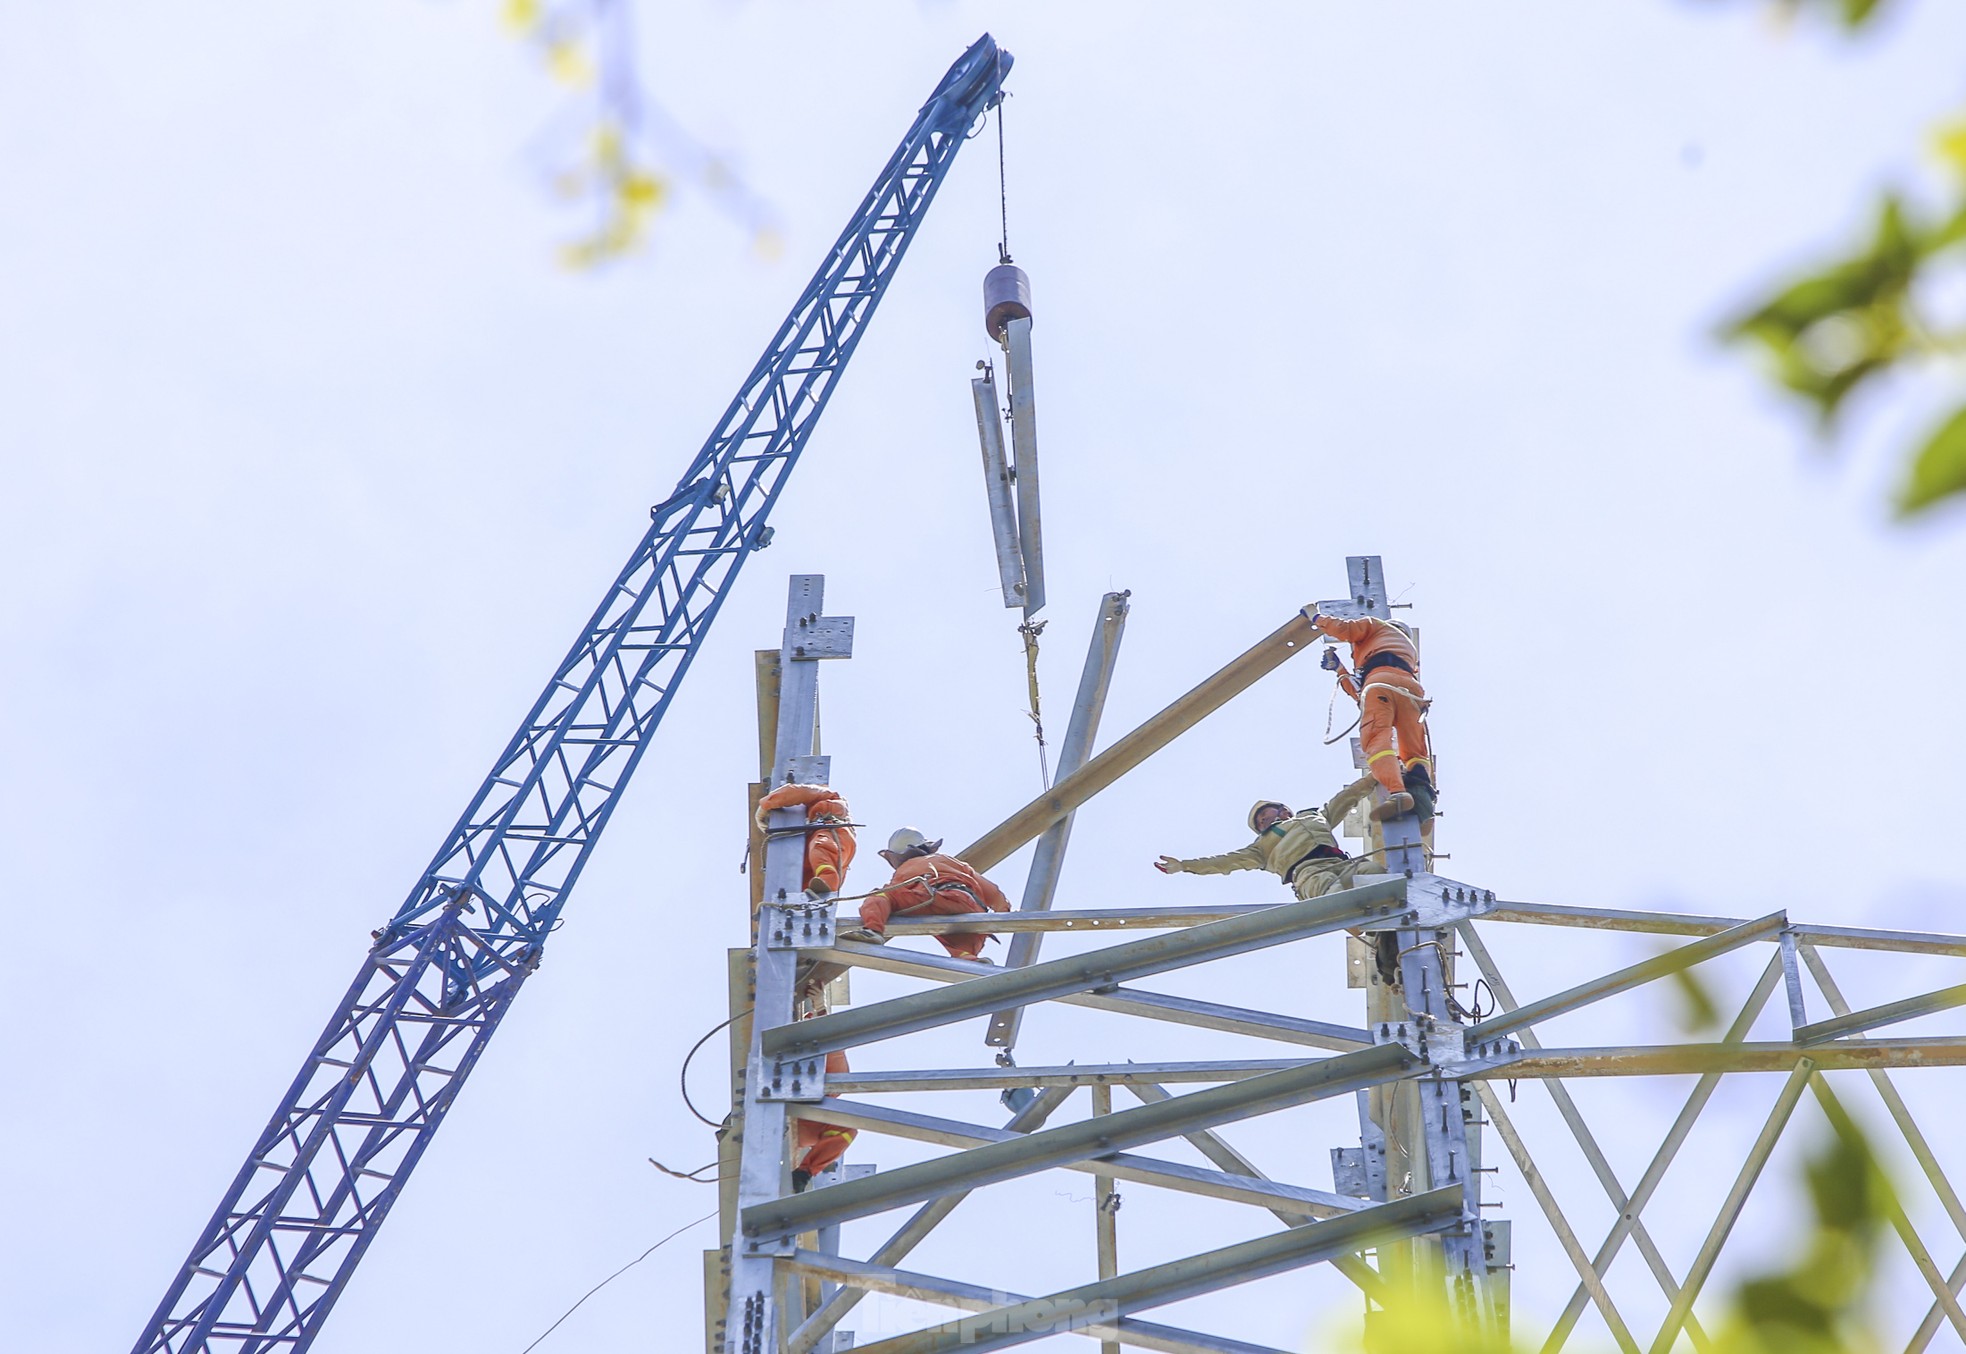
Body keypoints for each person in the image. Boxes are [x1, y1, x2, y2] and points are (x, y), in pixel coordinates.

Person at [1154, 775, 1381, 899]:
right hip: (1308, 872)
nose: (1262, 821)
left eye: (1264, 815)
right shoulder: (1261, 848)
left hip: (1339, 863)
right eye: (1259, 823)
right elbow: (1223, 862)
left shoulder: (1317, 818)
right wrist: (1184, 866)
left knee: (1374, 875)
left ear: (1283, 810)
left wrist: (1373, 778)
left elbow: (1345, 798)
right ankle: (1346, 911)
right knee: (1329, 891)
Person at [1309, 610, 1435, 822]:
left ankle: (1398, 794)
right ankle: (1424, 811)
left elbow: (1345, 629)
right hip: (1411, 690)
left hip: (1380, 683)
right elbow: (1362, 689)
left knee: (1376, 740)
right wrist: (1339, 668)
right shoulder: (1408, 652)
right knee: (1415, 751)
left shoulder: (1376, 626)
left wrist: (1316, 617)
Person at [837, 827, 1009, 960]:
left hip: (934, 898)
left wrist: (880, 911)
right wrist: (1004, 914)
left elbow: (895, 892)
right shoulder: (952, 862)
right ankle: (970, 960)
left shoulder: (908, 867)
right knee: (960, 945)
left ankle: (872, 930)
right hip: (970, 906)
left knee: (881, 896)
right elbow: (993, 893)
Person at [790, 1006, 855, 1193]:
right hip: (776, 1101)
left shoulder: (834, 1080)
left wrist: (819, 1009)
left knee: (846, 1125)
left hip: (803, 1117)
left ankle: (804, 1173)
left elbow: (830, 1041)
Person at [755, 782, 857, 896]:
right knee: (811, 869)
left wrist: (766, 803)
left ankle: (827, 878)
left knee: (820, 847)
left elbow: (796, 792)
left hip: (832, 830)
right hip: (839, 847)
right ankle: (823, 882)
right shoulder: (804, 849)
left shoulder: (829, 796)